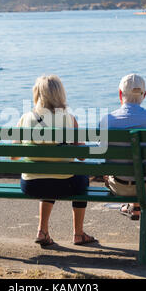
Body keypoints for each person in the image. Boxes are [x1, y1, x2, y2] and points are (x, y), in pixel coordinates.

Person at [13, 75, 97, 247]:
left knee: (49, 174)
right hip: (64, 184)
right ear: (60, 94)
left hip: (30, 185)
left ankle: (42, 231)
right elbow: (82, 156)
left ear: (37, 94)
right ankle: (78, 234)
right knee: (81, 175)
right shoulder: (69, 119)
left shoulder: (25, 118)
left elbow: (14, 156)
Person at [101, 74, 146, 244]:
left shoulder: (107, 120)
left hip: (120, 186)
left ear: (119, 94)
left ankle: (133, 207)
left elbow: (101, 154)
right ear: (144, 95)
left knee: (119, 167)